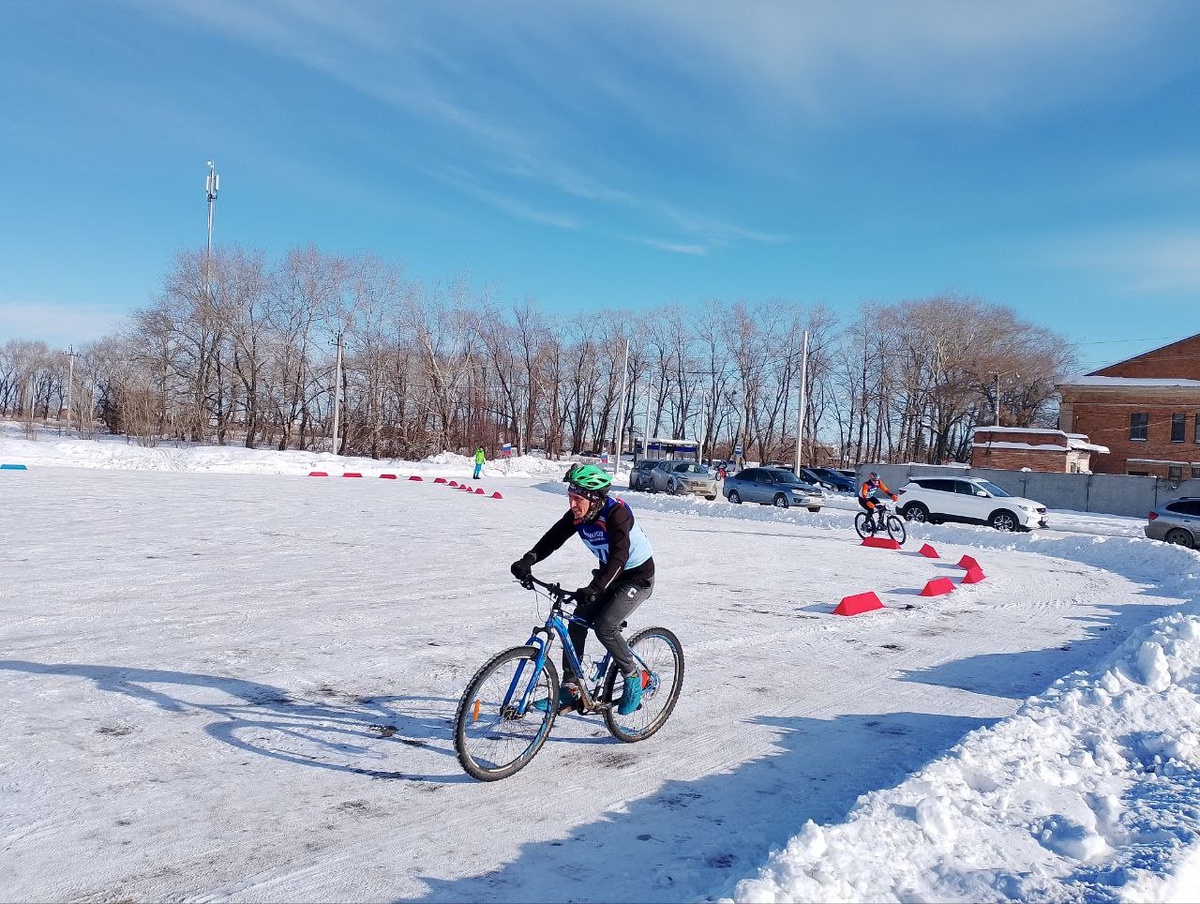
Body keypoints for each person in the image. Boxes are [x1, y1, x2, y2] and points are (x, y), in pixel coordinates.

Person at [509, 463, 655, 716]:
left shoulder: (616, 514)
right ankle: (571, 688)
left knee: (605, 626)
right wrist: (528, 559)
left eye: (578, 499)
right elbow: (553, 539)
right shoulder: (579, 516)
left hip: (636, 578)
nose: (572, 504)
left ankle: (634, 677)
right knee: (577, 621)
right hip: (609, 576)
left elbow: (619, 557)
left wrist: (596, 587)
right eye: (570, 498)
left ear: (594, 498)